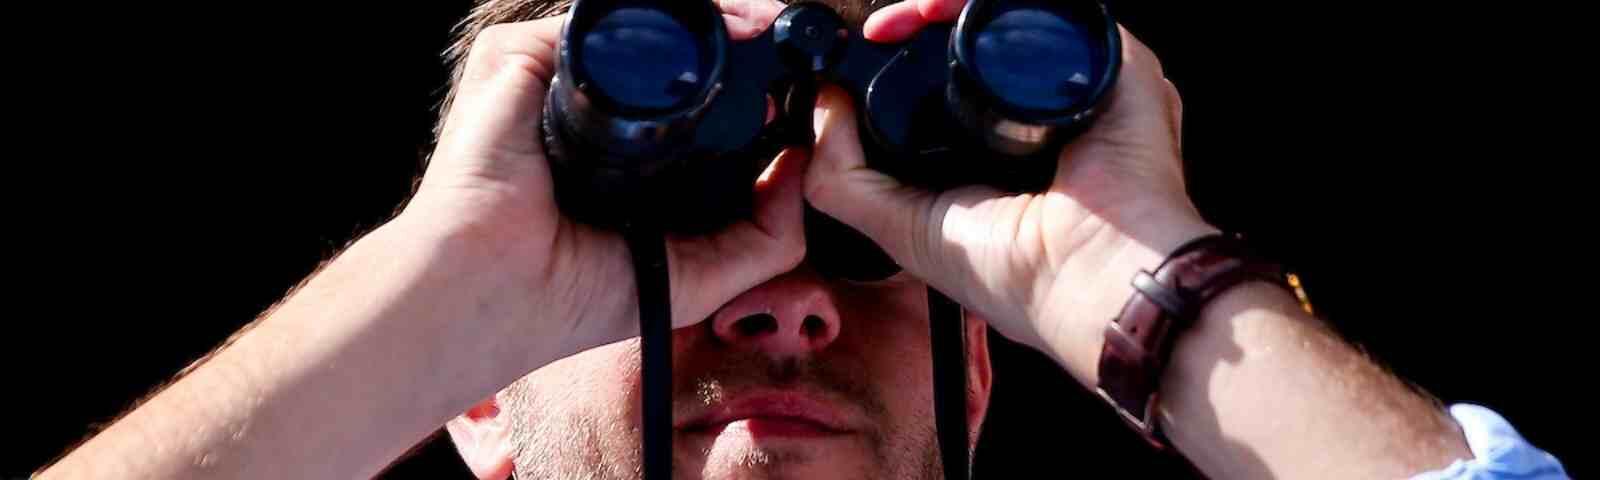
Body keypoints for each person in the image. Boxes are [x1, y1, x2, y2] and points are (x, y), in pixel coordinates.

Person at [40, 0, 1569, 478]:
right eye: (682, 218)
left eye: (862, 252)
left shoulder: (1098, 316)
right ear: (477, 392)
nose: (788, 312)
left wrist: (1131, 283)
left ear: (982, 381)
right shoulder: (449, 343)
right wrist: (436, 295)